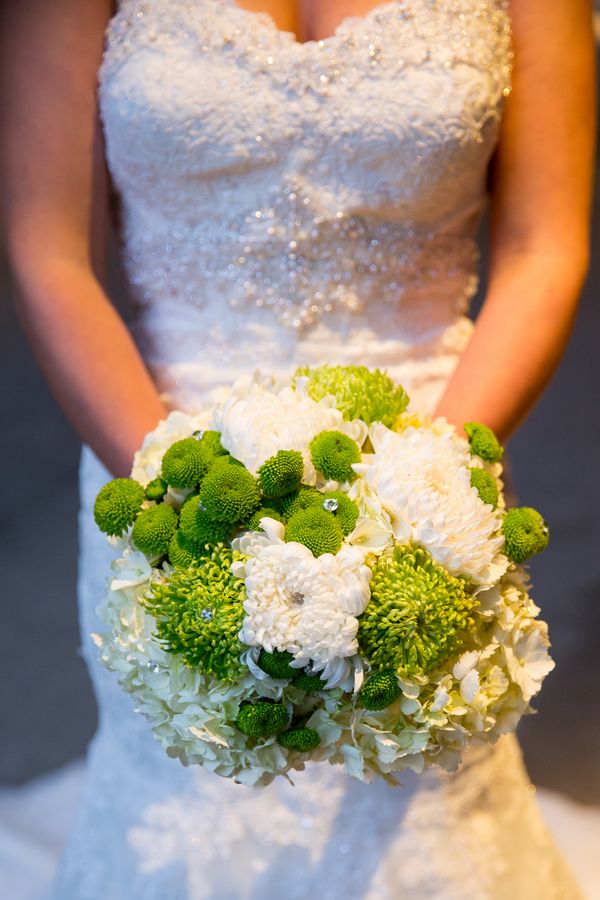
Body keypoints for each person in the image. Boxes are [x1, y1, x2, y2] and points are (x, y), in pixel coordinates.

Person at [0, 1, 596, 897]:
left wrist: (426, 487)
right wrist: (175, 503)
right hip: (161, 460)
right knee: (190, 793)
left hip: (439, 465)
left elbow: (542, 244)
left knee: (422, 795)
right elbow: (49, 252)